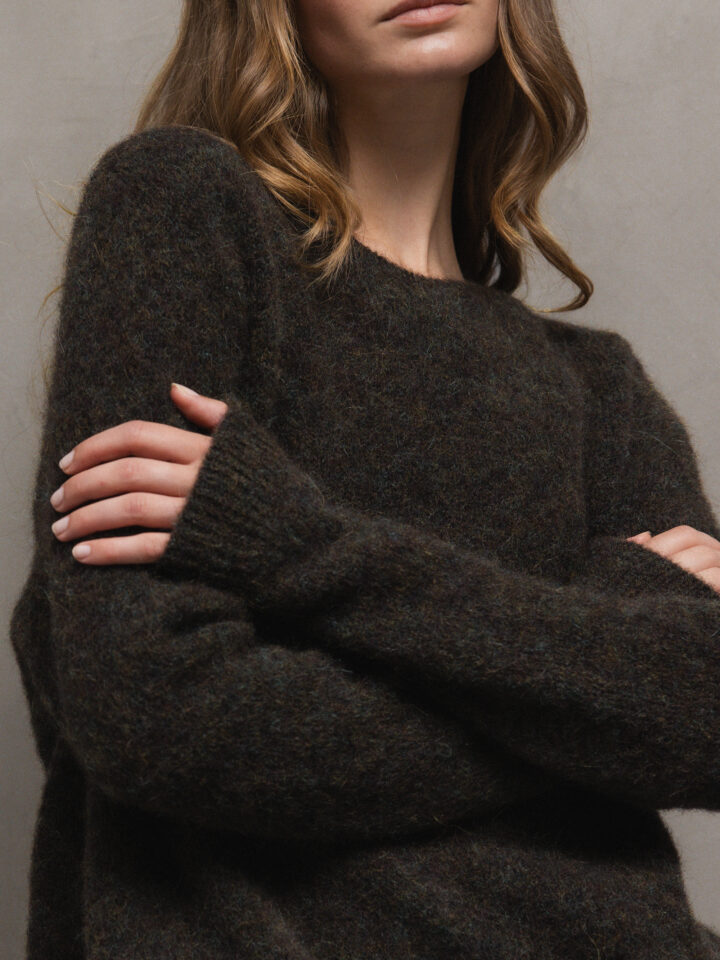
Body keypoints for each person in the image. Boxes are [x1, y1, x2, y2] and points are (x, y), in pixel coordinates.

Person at [10, 0, 720, 957]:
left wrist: (296, 545)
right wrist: (596, 688)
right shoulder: (185, 208)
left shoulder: (601, 386)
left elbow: (705, 713)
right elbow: (155, 715)